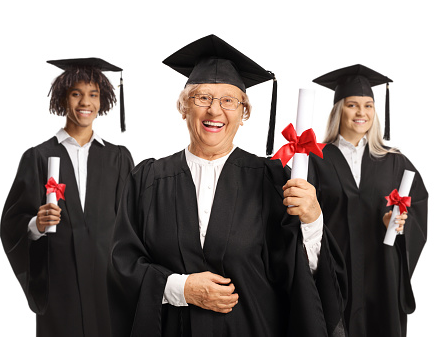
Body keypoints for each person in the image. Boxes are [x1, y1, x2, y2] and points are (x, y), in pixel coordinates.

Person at [107, 34, 347, 337]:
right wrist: (180, 288)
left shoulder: (272, 180)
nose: (215, 111)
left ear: (243, 113)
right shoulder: (148, 181)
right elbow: (121, 266)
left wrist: (313, 221)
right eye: (203, 97)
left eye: (229, 101)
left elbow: (302, 277)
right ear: (184, 108)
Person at [0, 58, 134, 337]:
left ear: (103, 100)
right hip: (60, 285)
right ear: (63, 98)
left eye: (93, 94)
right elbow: (12, 223)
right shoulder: (38, 157)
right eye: (76, 93)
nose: (86, 102)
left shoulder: (118, 158)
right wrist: (36, 225)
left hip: (108, 286)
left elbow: (133, 224)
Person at [309, 64, 428, 337]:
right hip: (334, 273)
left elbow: (417, 208)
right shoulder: (316, 159)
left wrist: (396, 225)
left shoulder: (395, 161)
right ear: (339, 109)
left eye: (368, 105)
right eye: (352, 105)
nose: (361, 113)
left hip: (382, 275)